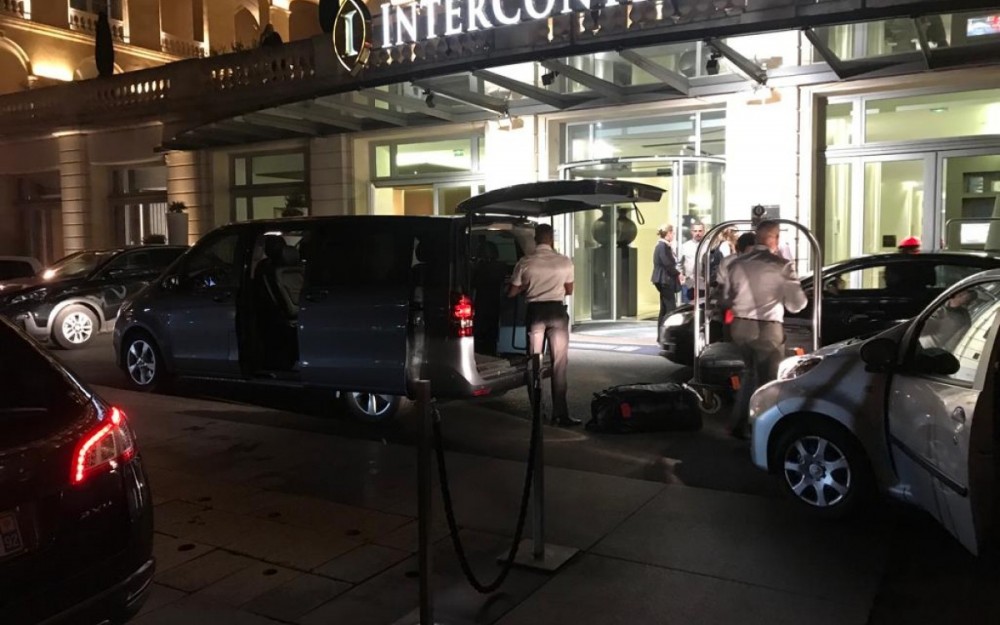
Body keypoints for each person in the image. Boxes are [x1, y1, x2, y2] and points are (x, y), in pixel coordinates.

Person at [716, 221, 808, 439]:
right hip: (767, 326)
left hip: (740, 325)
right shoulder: (781, 265)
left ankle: (739, 423)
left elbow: (725, 298)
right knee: (769, 381)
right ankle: (762, 430)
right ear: (774, 238)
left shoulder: (736, 264)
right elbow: (797, 304)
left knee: (749, 373)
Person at [507, 224, 578, 426]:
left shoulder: (525, 262)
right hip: (557, 312)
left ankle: (538, 411)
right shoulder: (565, 261)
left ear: (536, 239)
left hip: (536, 313)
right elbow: (569, 290)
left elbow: (512, 292)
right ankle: (561, 414)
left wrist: (527, 287)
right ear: (551, 239)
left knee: (534, 362)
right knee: (559, 364)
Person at [651, 224, 681, 335]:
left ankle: (661, 334)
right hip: (664, 279)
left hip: (662, 279)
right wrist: (678, 273)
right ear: (668, 233)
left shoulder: (662, 246)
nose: (673, 235)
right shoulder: (662, 246)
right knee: (670, 308)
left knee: (664, 308)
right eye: (673, 233)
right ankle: (669, 334)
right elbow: (667, 263)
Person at [679, 221, 706, 303]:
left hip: (704, 283)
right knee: (688, 306)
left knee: (702, 306)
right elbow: (679, 263)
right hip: (689, 283)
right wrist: (681, 275)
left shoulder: (708, 246)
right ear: (691, 232)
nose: (698, 233)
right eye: (695, 231)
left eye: (700, 231)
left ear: (704, 231)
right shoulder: (685, 246)